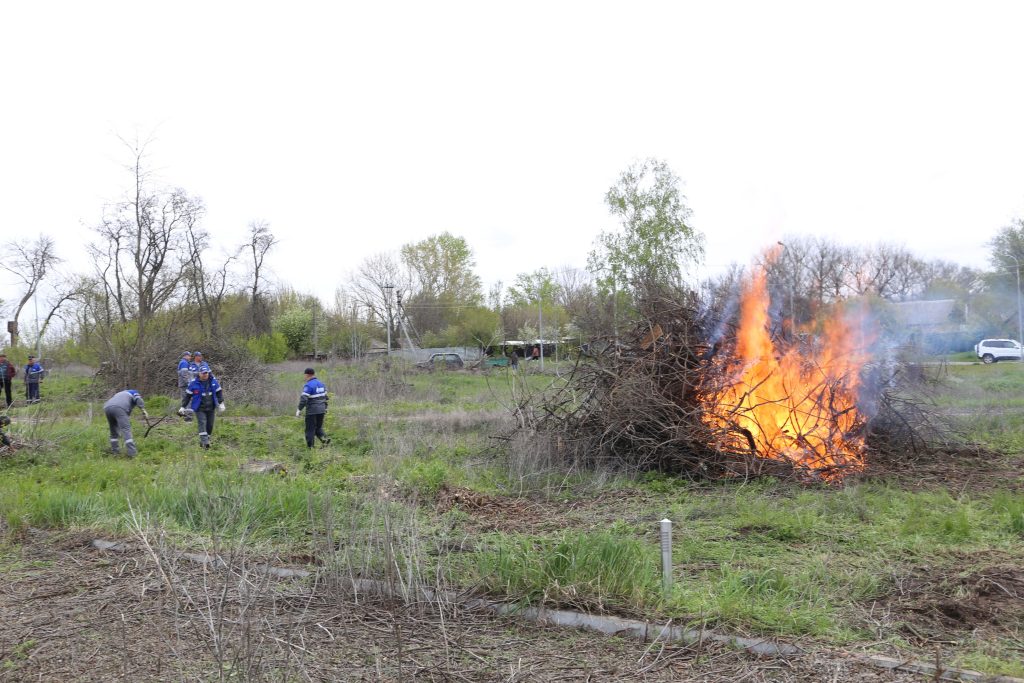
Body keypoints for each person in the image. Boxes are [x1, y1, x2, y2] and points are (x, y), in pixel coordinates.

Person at [179, 366, 224, 449]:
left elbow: (219, 392)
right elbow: (187, 397)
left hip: (211, 407)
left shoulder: (213, 381)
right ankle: (205, 443)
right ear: (199, 374)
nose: (205, 375)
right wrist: (183, 407)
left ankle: (206, 440)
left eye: (206, 373)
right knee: (202, 423)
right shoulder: (193, 383)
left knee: (210, 425)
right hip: (199, 408)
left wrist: (221, 403)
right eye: (203, 373)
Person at [103, 389, 148, 457]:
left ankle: (115, 452)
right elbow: (138, 399)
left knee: (113, 431)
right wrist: (143, 410)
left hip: (107, 408)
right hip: (119, 408)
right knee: (126, 429)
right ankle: (132, 454)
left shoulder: (119, 394)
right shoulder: (133, 392)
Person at [295, 367, 331, 449]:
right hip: (321, 410)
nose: (304, 377)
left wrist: (299, 409)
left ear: (307, 375)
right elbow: (326, 397)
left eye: (304, 375)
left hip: (312, 411)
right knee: (318, 428)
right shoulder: (322, 384)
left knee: (310, 429)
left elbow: (304, 399)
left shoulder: (308, 385)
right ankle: (325, 440)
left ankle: (310, 448)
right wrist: (325, 408)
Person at [177, 351, 194, 421]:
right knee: (188, 400)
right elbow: (184, 375)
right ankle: (188, 418)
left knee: (185, 400)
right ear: (185, 356)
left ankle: (182, 413)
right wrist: (189, 383)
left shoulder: (185, 363)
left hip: (184, 385)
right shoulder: (184, 363)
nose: (190, 357)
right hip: (185, 385)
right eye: (189, 356)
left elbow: (189, 374)